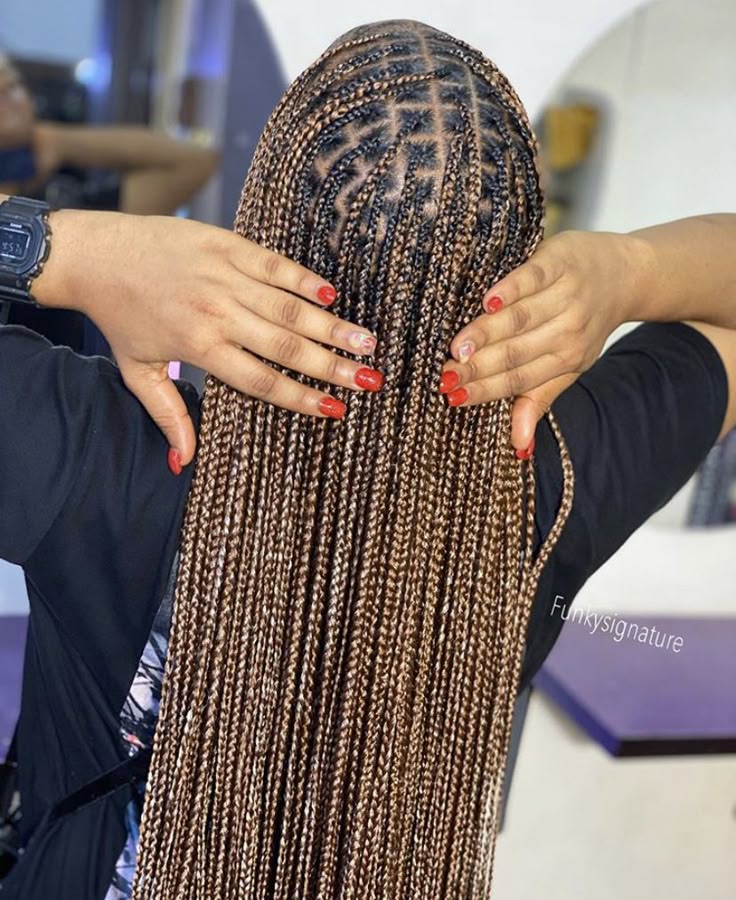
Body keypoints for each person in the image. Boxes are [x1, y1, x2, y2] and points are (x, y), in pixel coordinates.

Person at [0, 18, 734, 900]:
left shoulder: (95, 456)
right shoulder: (546, 488)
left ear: (266, 220)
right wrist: (629, 270)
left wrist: (67, 252)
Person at [0, 52, 219, 355]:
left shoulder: (66, 208)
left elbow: (194, 163)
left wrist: (58, 141)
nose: (11, 102)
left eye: (13, 87)